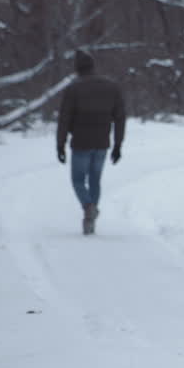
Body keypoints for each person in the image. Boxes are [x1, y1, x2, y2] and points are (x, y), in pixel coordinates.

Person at [56, 50, 126, 235]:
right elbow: (120, 118)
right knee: (95, 179)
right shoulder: (112, 87)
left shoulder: (73, 89)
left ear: (78, 68)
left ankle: (88, 208)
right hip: (102, 142)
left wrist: (60, 144)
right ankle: (90, 217)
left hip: (80, 141)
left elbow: (64, 119)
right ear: (93, 66)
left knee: (78, 179)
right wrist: (118, 144)